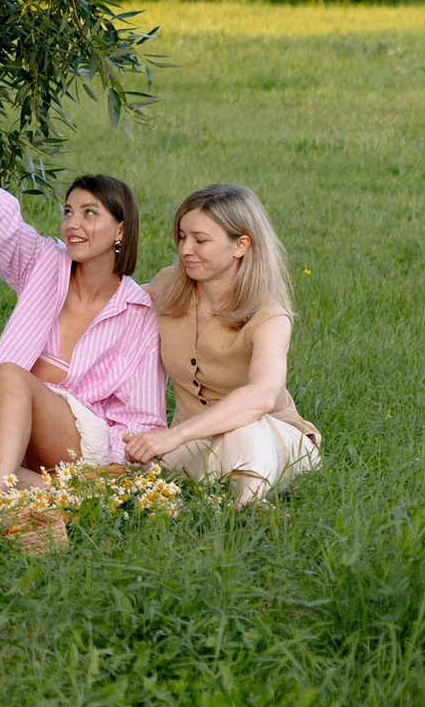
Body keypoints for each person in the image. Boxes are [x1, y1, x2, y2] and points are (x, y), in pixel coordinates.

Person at [0, 70, 164, 499]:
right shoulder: (44, 263)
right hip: (23, 444)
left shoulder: (138, 312)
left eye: (89, 213)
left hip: (84, 447)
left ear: (120, 230)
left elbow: (143, 417)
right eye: (68, 211)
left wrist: (119, 471)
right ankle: (60, 496)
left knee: (8, 375)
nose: (73, 224)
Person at [124, 184, 320, 505]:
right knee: (131, 463)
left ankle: (248, 514)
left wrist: (172, 436)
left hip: (273, 440)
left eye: (201, 240)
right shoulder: (168, 287)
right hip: (198, 441)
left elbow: (262, 395)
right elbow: (109, 305)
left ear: (241, 245)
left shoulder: (270, 315)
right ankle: (233, 498)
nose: (186, 249)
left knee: (245, 430)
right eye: (182, 236)